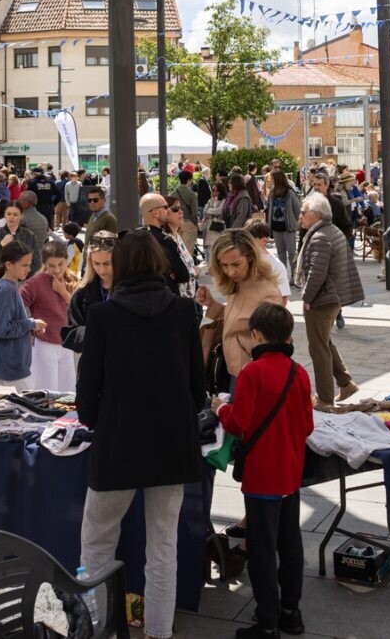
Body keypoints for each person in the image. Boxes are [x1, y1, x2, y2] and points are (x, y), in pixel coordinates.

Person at [77, 230, 205, 639]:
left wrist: (104, 420)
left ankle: (103, 628)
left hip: (117, 444)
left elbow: (87, 392)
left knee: (97, 544)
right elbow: (196, 388)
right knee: (163, 548)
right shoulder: (185, 312)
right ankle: (158, 632)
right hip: (171, 446)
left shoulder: (103, 316)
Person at [211, 303, 312, 639]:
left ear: (255, 335)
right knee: (291, 543)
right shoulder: (299, 372)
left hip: (262, 475)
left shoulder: (252, 373)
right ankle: (291, 613)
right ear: (288, 335)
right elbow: (307, 426)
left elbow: (240, 423)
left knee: (262, 548)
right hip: (290, 473)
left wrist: (221, 407)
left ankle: (266, 621)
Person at [295, 194, 362, 405]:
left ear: (315, 214)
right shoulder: (330, 231)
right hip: (332, 298)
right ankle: (345, 383)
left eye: (303, 212)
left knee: (318, 349)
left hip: (322, 300)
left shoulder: (320, 236)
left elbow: (317, 272)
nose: (300, 216)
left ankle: (324, 398)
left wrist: (307, 297)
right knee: (325, 343)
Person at [198, 230, 288, 381]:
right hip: (231, 369)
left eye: (236, 264)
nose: (230, 271)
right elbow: (238, 318)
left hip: (250, 376)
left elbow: (275, 346)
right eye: (224, 265)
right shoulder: (237, 283)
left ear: (251, 257)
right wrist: (212, 304)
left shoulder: (267, 293)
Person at [20, 238, 76, 392]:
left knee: (68, 392)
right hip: (44, 345)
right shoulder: (36, 282)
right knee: (46, 393)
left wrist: (63, 292)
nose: (57, 270)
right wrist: (29, 325)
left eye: (61, 264)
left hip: (67, 344)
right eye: (51, 265)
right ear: (44, 263)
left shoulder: (72, 279)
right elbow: (16, 303)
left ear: (66, 261)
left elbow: (80, 310)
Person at [0, 240, 42, 391]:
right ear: (9, 264)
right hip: (13, 369)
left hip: (10, 366)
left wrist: (30, 325)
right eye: (24, 265)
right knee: (27, 411)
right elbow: (1, 329)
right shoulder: (7, 290)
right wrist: (31, 324)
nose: (28, 269)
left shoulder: (7, 287)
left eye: (29, 265)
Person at [62, 230, 115, 352]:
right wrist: (95, 334)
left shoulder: (129, 288)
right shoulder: (82, 292)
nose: (102, 270)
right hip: (93, 362)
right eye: (96, 263)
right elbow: (71, 332)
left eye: (107, 263)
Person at [140, 193, 191, 296]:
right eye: (165, 207)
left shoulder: (133, 237)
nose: (168, 211)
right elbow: (183, 275)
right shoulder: (165, 241)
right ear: (155, 213)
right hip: (167, 297)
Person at [265, 170, 298, 270]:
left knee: (292, 252)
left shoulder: (290, 193)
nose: (271, 181)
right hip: (275, 227)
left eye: (273, 179)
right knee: (280, 252)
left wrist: (295, 224)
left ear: (278, 179)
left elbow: (297, 210)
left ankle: (295, 274)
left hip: (288, 227)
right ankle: (283, 273)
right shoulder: (272, 193)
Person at [202, 180, 228, 253]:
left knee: (217, 249)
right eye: (211, 189)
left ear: (219, 191)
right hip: (208, 229)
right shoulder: (210, 200)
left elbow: (220, 211)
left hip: (217, 229)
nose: (211, 191)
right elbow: (204, 211)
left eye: (213, 190)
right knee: (209, 251)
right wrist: (212, 212)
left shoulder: (224, 200)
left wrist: (209, 211)